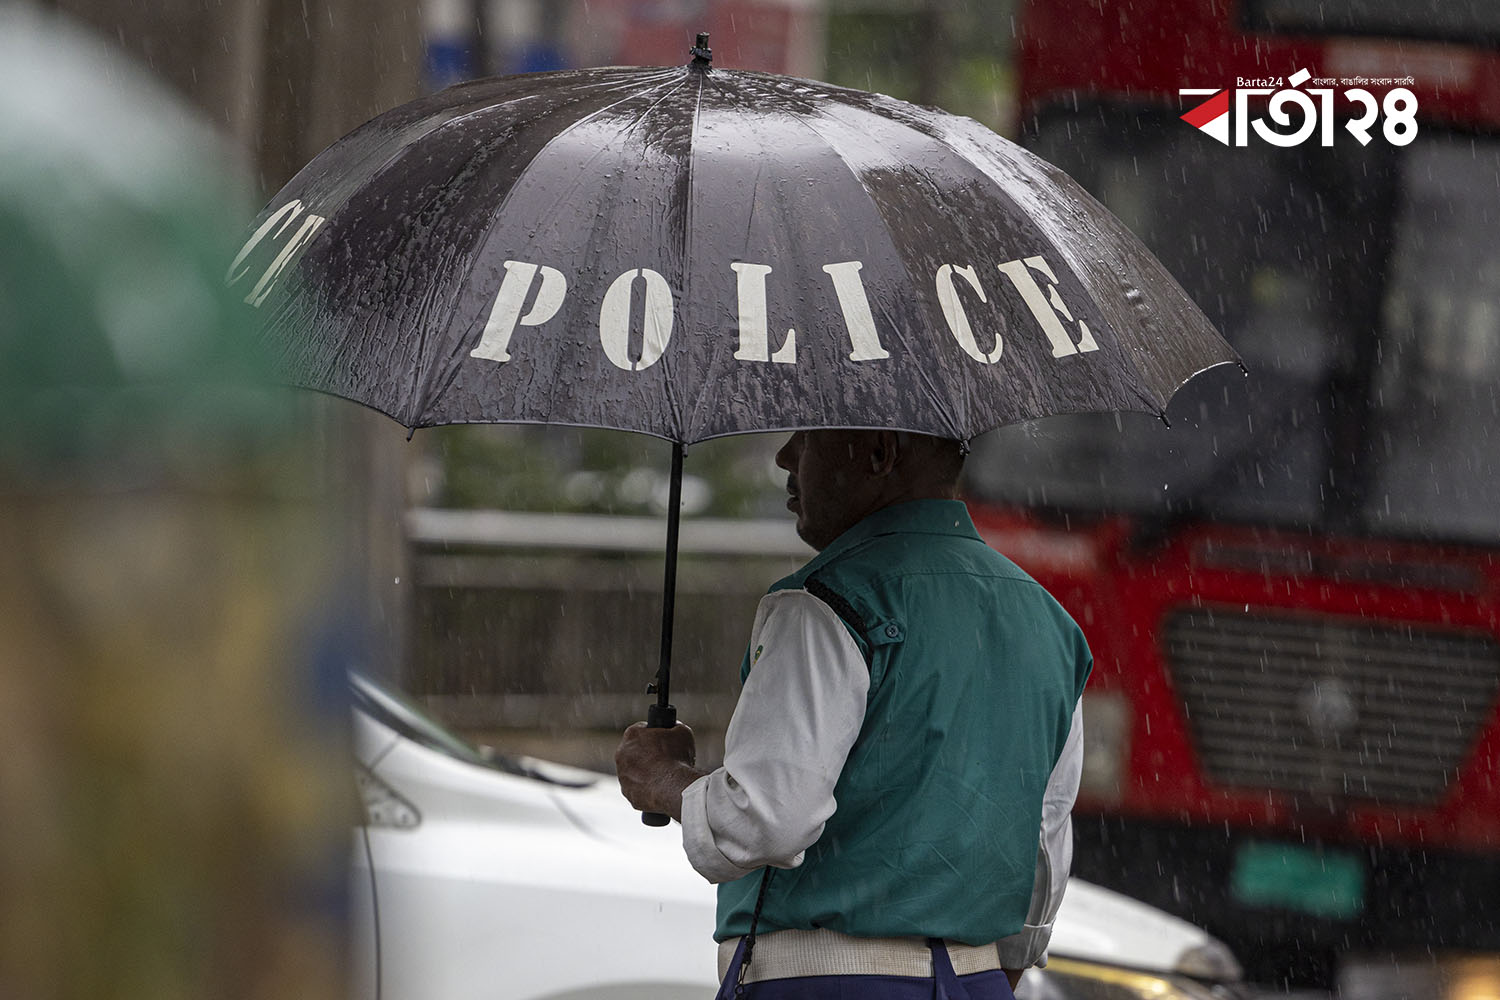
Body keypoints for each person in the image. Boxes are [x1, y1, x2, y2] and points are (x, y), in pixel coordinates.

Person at [616, 428, 1091, 999]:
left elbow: (766, 819)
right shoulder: (1050, 625)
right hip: (978, 982)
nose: (784, 456)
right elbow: (1044, 838)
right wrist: (976, 969)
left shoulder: (824, 602)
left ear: (878, 453)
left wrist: (662, 779)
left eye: (808, 438)